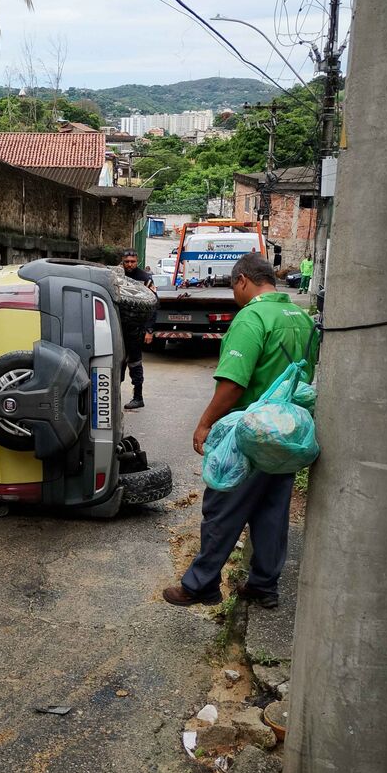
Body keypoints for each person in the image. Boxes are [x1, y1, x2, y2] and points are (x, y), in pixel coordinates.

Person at [162, 253, 318, 609]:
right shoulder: (302, 317)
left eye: (234, 287)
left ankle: (201, 584)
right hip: (289, 433)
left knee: (222, 505)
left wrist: (204, 423)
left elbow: (233, 383)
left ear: (242, 280)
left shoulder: (252, 318)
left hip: (251, 434)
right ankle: (264, 585)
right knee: (271, 511)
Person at [119, 249, 156, 410]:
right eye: (126, 261)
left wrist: (149, 330)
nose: (129, 264)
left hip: (136, 328)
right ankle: (114, 396)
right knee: (116, 363)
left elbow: (154, 305)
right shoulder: (116, 276)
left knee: (135, 363)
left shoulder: (145, 279)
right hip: (117, 326)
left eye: (132, 261)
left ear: (137, 261)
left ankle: (138, 397)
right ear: (122, 261)